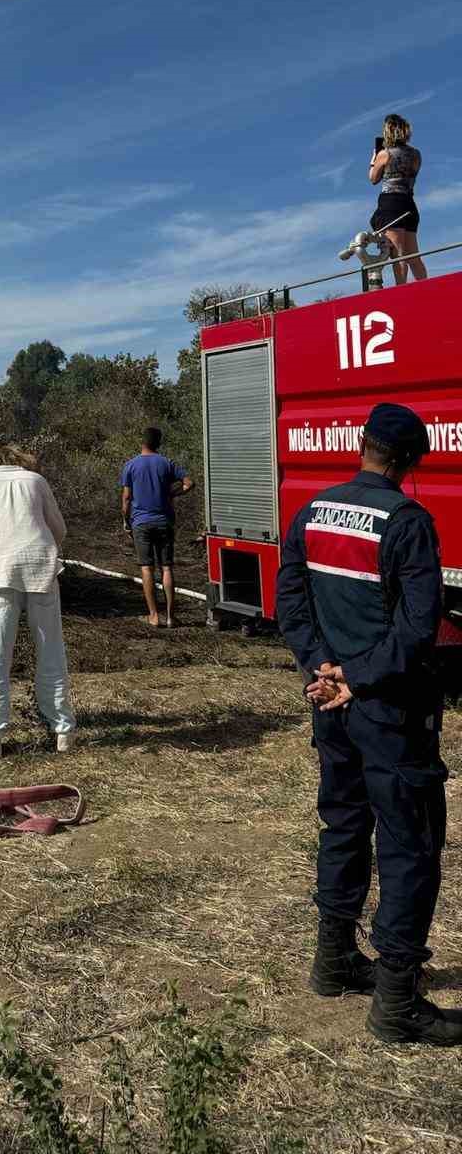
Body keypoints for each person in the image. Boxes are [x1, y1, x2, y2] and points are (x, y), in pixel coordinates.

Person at [275, 402, 461, 1046]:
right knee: (409, 843)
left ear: (362, 446)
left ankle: (333, 963)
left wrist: (321, 668)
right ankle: (398, 1002)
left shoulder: (314, 510)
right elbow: (417, 630)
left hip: (332, 706)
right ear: (411, 461)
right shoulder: (408, 522)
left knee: (345, 823)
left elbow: (289, 601)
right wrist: (355, 677)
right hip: (391, 712)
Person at [0, 445, 75, 760]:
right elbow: (58, 528)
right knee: (51, 651)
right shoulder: (35, 481)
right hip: (40, 568)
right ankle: (63, 731)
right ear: (18, 460)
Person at [119, 428, 193, 627]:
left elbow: (126, 498)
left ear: (142, 442)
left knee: (147, 569)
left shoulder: (131, 465)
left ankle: (153, 615)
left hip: (141, 522)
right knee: (167, 567)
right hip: (164, 521)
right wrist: (172, 495)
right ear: (158, 443)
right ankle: (170, 616)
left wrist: (126, 521)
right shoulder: (167, 463)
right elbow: (189, 483)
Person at [368, 113, 427, 285]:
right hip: (409, 204)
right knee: (413, 256)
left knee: (397, 254)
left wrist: (373, 160)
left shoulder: (385, 154)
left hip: (391, 203)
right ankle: (427, 290)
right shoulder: (416, 154)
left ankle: (401, 293)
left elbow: (373, 178)